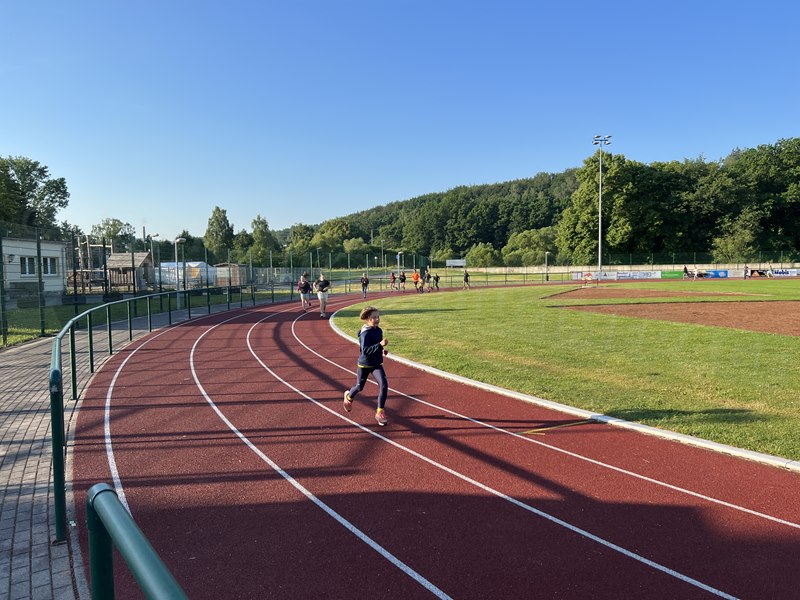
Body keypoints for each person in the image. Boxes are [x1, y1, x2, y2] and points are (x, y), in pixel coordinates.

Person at [343, 305, 389, 426]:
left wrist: (382, 350)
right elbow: (366, 350)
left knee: (384, 385)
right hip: (364, 364)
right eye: (374, 317)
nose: (377, 319)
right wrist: (380, 345)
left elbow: (376, 345)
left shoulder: (378, 330)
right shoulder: (365, 334)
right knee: (359, 387)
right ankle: (349, 397)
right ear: (368, 319)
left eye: (378, 317)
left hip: (376, 363)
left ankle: (379, 412)